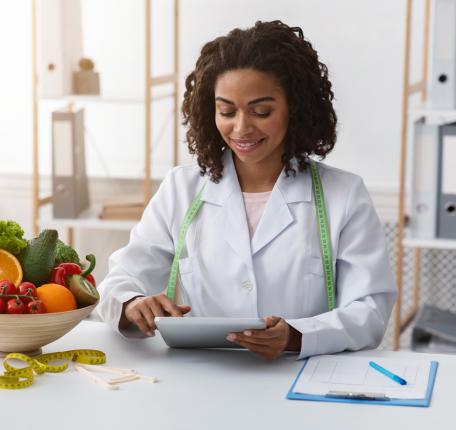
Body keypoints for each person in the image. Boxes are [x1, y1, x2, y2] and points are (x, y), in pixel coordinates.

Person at [97, 20, 396, 360]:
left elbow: (370, 309)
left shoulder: (343, 195)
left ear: (295, 108)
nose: (241, 128)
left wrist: (297, 336)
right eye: (226, 111)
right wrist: (134, 304)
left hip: (295, 381)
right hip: (202, 381)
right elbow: (118, 281)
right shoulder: (181, 189)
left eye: (261, 111)